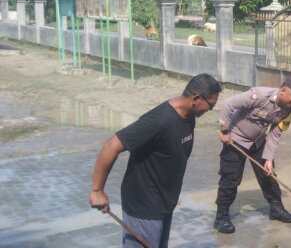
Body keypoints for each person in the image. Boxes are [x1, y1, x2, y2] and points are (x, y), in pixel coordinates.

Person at [89, 73, 222, 248]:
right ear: (196, 98)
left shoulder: (188, 116)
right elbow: (111, 145)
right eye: (210, 106)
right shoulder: (159, 120)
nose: (209, 111)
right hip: (144, 206)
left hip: (164, 203)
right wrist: (97, 190)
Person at [213, 77, 291, 234]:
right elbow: (228, 105)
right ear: (283, 90)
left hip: (257, 141)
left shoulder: (287, 111)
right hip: (235, 139)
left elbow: (275, 135)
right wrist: (224, 130)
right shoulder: (258, 95)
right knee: (231, 178)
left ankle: (276, 209)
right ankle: (221, 217)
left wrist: (268, 159)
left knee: (269, 174)